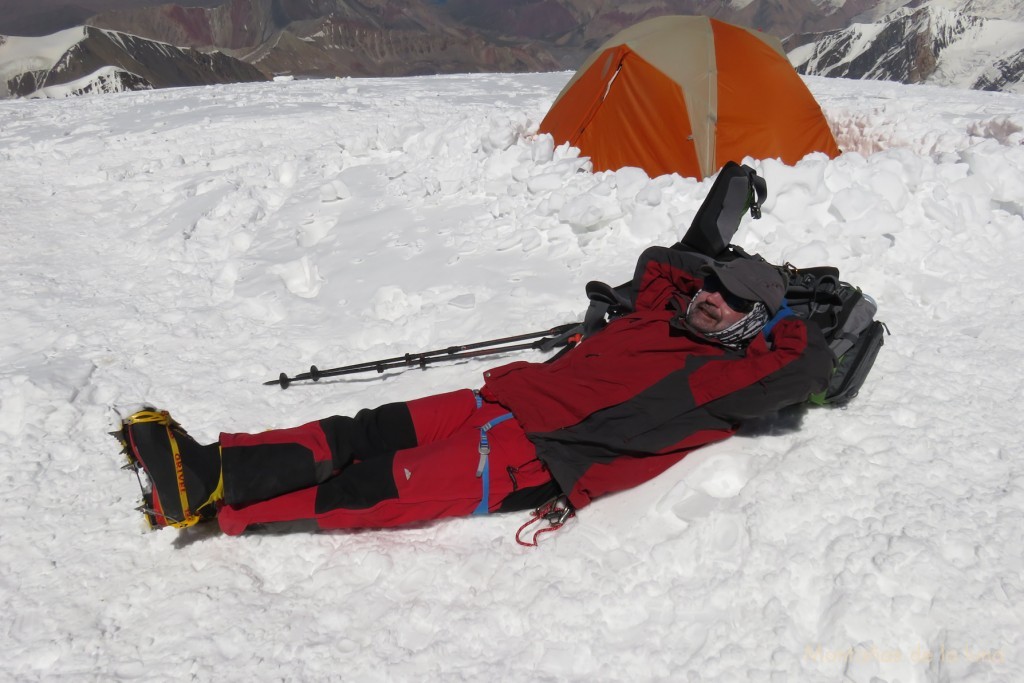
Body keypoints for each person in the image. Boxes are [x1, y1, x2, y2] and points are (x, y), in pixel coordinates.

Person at [118, 246, 834, 536]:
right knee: (362, 429)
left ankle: (222, 512)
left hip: (541, 457)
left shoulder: (723, 380)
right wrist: (717, 268)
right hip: (500, 398)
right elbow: (657, 263)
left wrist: (782, 316)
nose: (710, 298)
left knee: (380, 483)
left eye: (731, 300)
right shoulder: (659, 310)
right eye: (713, 284)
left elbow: (804, 370)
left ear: (754, 325)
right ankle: (208, 467)